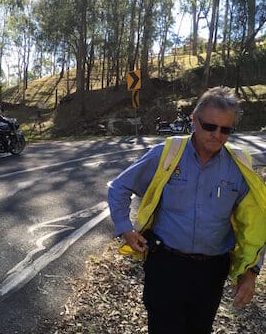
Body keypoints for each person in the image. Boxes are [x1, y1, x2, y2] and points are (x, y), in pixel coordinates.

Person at [108, 86, 265, 334]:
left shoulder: (239, 166)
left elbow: (256, 222)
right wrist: (125, 229)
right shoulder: (167, 155)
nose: (217, 135)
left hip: (211, 272)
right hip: (166, 265)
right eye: (210, 126)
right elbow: (119, 187)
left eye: (226, 130)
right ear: (194, 119)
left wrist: (251, 272)